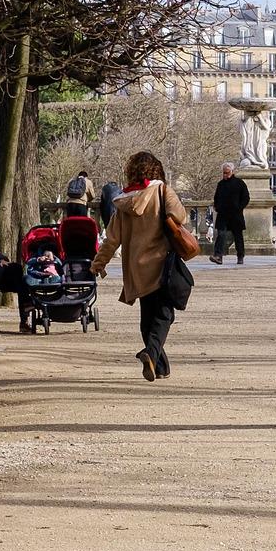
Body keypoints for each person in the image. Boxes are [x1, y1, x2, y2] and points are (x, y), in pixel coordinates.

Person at [92, 150, 193, 382]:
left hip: (136, 269)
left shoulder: (123, 202)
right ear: (157, 170)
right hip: (161, 264)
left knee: (148, 319)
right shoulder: (162, 191)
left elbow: (111, 240)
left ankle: (161, 368)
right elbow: (180, 216)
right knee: (164, 315)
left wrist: (98, 264)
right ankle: (150, 353)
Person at [212, 162, 249, 264]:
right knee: (221, 235)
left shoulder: (239, 183)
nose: (225, 175)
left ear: (232, 172)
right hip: (223, 214)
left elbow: (246, 198)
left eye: (227, 173)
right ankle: (218, 256)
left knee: (238, 236)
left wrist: (239, 208)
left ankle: (240, 256)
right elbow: (216, 198)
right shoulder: (220, 184)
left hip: (235, 214)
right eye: (224, 173)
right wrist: (217, 207)